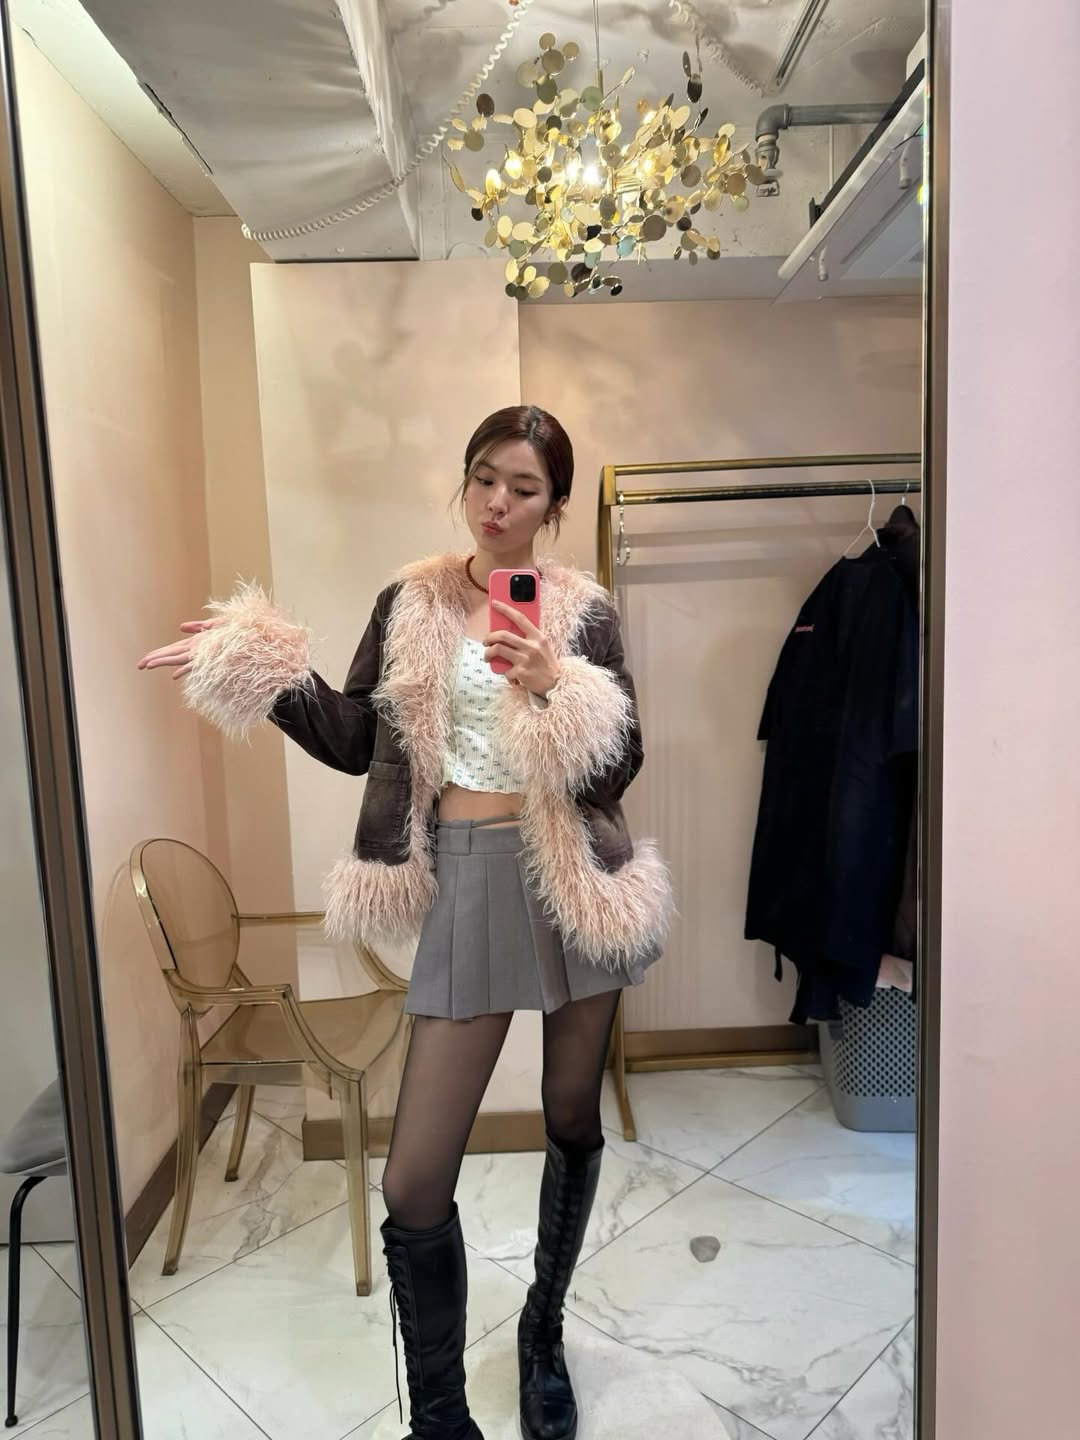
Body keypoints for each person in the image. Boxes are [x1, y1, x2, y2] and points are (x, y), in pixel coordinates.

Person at [138, 404, 670, 1440]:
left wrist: (555, 686)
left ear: (555, 505)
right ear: (464, 481)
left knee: (571, 1113)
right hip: (468, 879)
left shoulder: (585, 611)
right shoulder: (412, 602)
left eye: (524, 488)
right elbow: (354, 739)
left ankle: (543, 1332)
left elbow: (621, 766)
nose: (498, 503)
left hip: (573, 879)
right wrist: (261, 663)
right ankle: (440, 1419)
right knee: (416, 1180)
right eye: (484, 478)